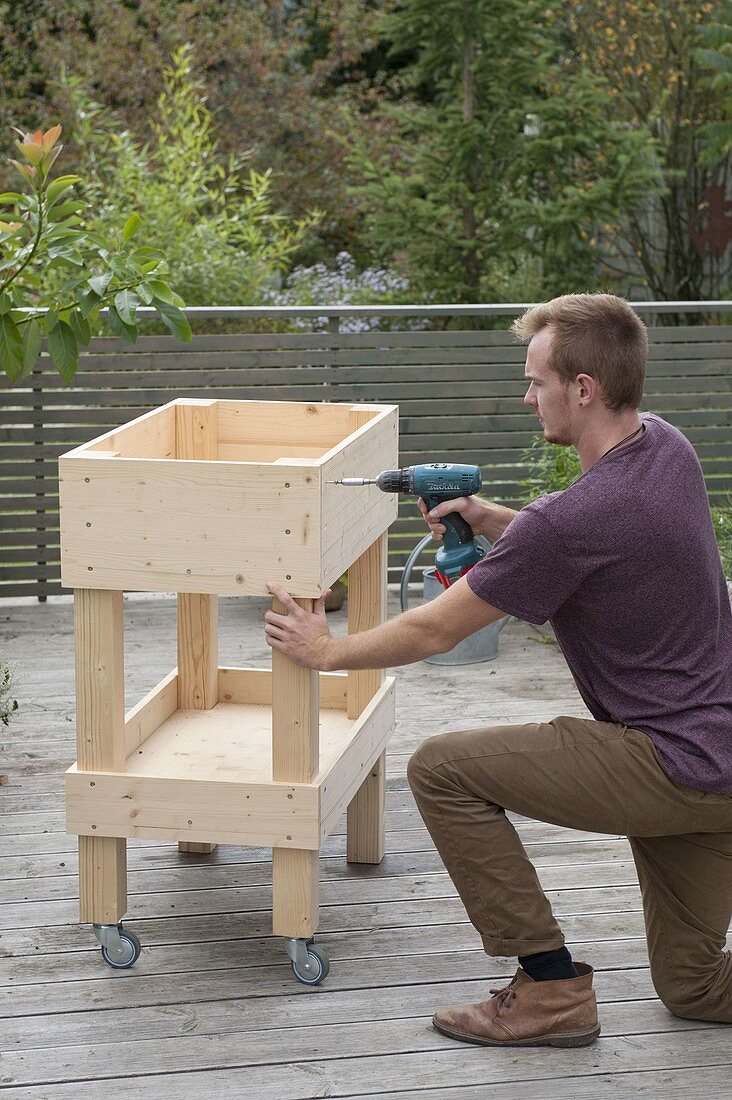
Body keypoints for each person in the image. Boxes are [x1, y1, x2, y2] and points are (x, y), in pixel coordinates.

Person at [264, 292, 732, 1048]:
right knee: (694, 986)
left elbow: (435, 631)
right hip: (722, 769)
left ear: (583, 389)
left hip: (666, 763)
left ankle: (550, 988)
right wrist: (492, 520)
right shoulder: (668, 450)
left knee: (444, 770)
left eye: (537, 380)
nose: (527, 396)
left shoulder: (571, 521)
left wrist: (328, 652)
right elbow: (591, 548)